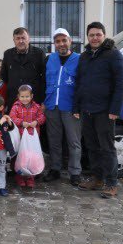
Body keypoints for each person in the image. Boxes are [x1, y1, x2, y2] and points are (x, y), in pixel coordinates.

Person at [74, 22, 123, 199]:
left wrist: (115, 109)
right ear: (87, 37)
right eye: (91, 35)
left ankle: (111, 183)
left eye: (98, 34)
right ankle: (97, 178)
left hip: (105, 110)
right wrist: (77, 107)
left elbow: (121, 83)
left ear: (104, 35)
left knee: (107, 147)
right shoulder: (84, 57)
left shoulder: (113, 55)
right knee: (92, 146)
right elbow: (79, 83)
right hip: (87, 109)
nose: (95, 38)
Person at [42, 28, 82, 186]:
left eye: (64, 40)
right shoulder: (50, 59)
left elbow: (82, 85)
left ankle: (75, 172)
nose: (61, 44)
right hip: (52, 105)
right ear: (54, 44)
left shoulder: (79, 59)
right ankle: (55, 169)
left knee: (74, 141)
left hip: (71, 106)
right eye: (57, 41)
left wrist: (79, 107)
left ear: (70, 41)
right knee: (54, 140)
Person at [9, 85, 46, 189]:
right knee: (20, 157)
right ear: (18, 96)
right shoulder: (16, 107)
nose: (25, 99)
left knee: (32, 157)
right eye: (22, 96)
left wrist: (36, 122)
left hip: (32, 138)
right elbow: (12, 118)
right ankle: (19, 175)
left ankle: (30, 177)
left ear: (32, 96)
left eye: (27, 96)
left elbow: (42, 117)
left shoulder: (36, 107)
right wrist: (21, 123)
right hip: (20, 137)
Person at [0, 27, 46, 109]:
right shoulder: (8, 54)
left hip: (34, 99)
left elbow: (44, 77)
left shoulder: (39, 53)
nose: (21, 41)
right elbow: (4, 75)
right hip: (14, 99)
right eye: (17, 38)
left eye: (23, 38)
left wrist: (43, 100)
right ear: (14, 40)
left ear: (29, 39)